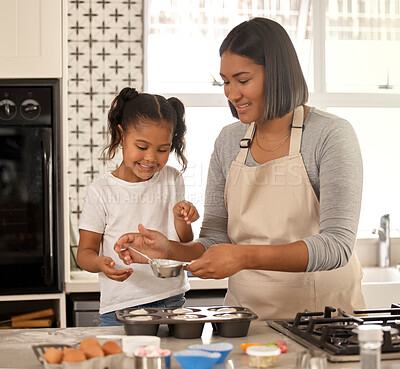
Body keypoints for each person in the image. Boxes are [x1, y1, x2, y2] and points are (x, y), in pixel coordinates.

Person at [114, 18, 366, 320]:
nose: (231, 94)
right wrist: (169, 250)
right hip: (247, 322)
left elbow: (336, 245)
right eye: (225, 81)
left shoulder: (330, 135)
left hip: (323, 323)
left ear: (277, 75)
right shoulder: (229, 141)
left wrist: (244, 256)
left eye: (242, 80)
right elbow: (215, 240)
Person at [77, 87, 199, 326]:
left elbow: (185, 242)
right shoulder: (101, 191)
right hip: (121, 307)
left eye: (162, 149)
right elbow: (85, 254)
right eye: (142, 147)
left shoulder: (172, 179)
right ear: (122, 136)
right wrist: (100, 263)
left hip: (171, 300)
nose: (151, 158)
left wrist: (182, 219)